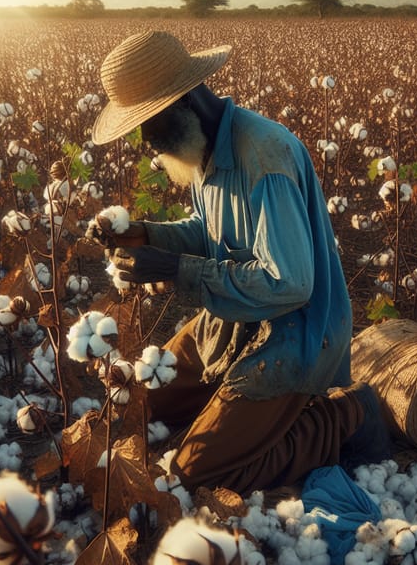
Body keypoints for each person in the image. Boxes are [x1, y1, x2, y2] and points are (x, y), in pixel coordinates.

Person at [89, 30, 389, 495]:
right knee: (135, 405)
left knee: (195, 478)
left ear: (184, 100)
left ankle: (346, 416)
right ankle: (238, 411)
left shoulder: (264, 158)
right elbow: (211, 234)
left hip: (292, 338)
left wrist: (173, 269)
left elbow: (288, 284)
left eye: (148, 123)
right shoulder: (204, 149)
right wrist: (146, 235)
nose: (145, 142)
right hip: (230, 323)